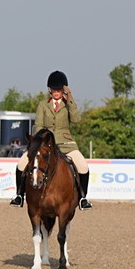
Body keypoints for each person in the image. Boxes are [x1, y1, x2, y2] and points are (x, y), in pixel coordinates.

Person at [10, 70, 92, 209]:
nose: (56, 92)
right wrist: (40, 139)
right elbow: (38, 125)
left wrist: (70, 98)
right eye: (53, 89)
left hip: (66, 143)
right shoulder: (43, 105)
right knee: (21, 164)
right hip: (45, 143)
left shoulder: (68, 104)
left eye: (59, 89)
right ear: (50, 90)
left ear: (63, 89)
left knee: (83, 166)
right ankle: (19, 195)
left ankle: (83, 198)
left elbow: (76, 120)